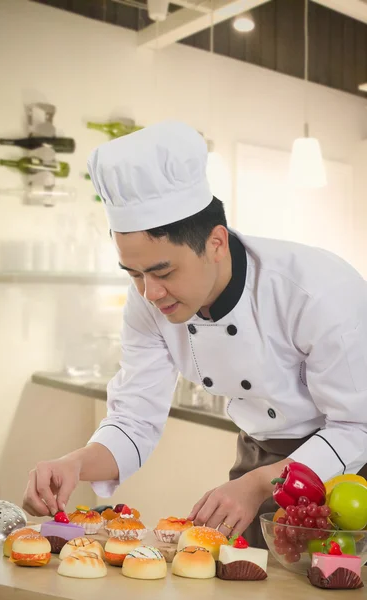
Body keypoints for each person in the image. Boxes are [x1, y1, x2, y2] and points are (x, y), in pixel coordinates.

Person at [23, 121, 367, 546]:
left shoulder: (316, 290)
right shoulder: (148, 302)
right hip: (256, 458)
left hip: (347, 472)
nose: (150, 293)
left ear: (216, 242)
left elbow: (358, 427)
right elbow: (133, 421)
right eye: (133, 274)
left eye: (163, 271)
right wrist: (75, 463)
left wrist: (260, 484)